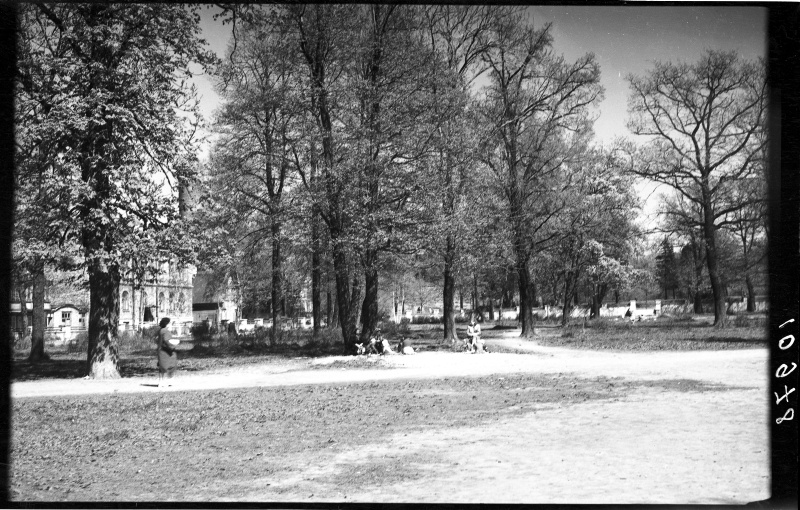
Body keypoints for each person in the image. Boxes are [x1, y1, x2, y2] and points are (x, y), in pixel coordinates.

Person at [157, 317, 177, 386]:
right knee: (170, 364)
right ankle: (168, 380)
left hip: (161, 350)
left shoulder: (161, 330)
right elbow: (166, 340)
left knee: (162, 366)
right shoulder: (166, 331)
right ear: (167, 324)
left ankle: (161, 381)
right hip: (166, 351)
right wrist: (172, 346)